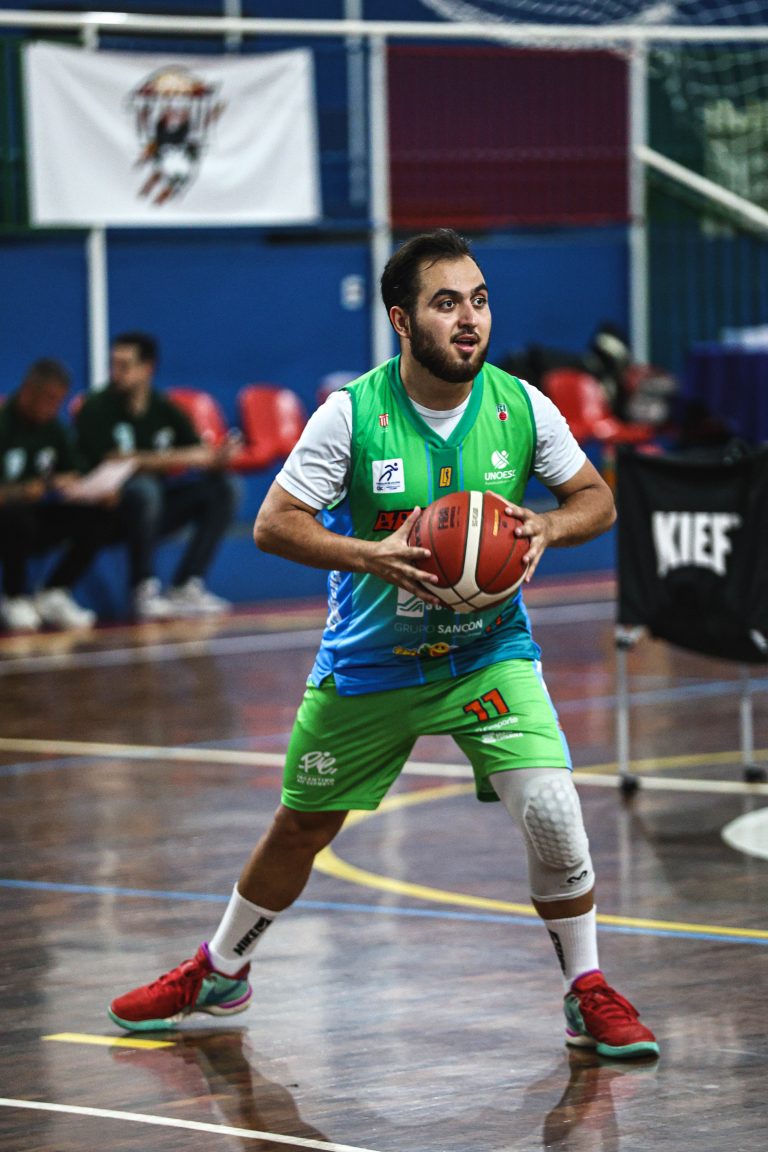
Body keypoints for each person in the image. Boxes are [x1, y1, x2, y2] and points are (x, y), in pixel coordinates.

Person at [108, 229, 659, 1060]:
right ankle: (219, 970)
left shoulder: (521, 406)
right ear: (402, 320)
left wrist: (548, 526)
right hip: (371, 662)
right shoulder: (352, 415)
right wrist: (368, 554)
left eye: (480, 300)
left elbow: (596, 499)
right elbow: (273, 524)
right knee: (301, 828)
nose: (470, 319)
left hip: (487, 653)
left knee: (552, 807)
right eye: (447, 303)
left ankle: (587, 988)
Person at [74, 331, 238, 621]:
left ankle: (187, 584)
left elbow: (199, 454)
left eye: (125, 365)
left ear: (147, 368)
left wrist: (217, 459)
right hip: (108, 511)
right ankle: (143, 588)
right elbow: (114, 461)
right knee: (144, 487)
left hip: (157, 511)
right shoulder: (96, 407)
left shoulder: (164, 409)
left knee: (224, 488)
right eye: (114, 364)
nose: (116, 372)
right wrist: (180, 457)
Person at [0, 358, 111, 632]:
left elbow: (76, 471)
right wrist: (23, 490)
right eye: (49, 399)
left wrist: (80, 486)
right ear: (28, 391)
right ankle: (14, 596)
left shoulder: (54, 429)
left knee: (100, 514)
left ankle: (55, 592)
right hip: (8, 522)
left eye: (59, 401)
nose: (54, 408)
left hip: (36, 520)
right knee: (16, 511)